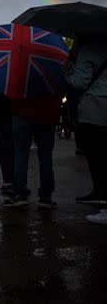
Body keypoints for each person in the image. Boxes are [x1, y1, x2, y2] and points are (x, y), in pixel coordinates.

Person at [65, 36, 107, 210]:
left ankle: (101, 192)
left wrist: (68, 71)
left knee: (95, 152)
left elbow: (80, 82)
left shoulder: (88, 50)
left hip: (95, 105)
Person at [2, 95, 61, 210]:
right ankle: (46, 197)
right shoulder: (51, 77)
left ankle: (20, 194)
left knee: (21, 153)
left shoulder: (20, 76)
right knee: (46, 156)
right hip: (48, 110)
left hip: (22, 109)